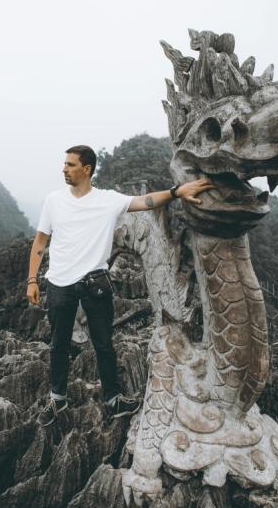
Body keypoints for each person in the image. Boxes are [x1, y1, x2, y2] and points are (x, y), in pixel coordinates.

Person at [26, 145, 215, 426]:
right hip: (59, 284)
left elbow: (146, 201)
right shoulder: (54, 201)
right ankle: (57, 398)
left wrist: (176, 192)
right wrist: (32, 279)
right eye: (64, 164)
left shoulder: (108, 200)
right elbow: (40, 242)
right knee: (58, 345)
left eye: (70, 164)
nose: (64, 169)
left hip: (94, 283)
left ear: (86, 169)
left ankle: (114, 399)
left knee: (104, 345)